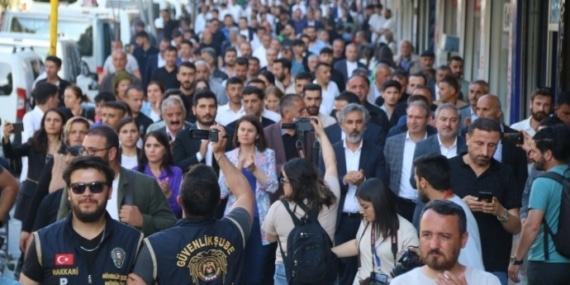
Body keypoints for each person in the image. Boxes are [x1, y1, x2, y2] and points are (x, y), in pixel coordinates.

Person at [126, 125, 254, 285]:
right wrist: (219, 154)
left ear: (180, 200)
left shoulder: (154, 245)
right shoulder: (235, 229)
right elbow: (244, 192)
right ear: (217, 201)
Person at [19, 156, 144, 284]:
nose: (87, 193)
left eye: (96, 187)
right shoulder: (43, 241)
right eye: (78, 188)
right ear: (69, 193)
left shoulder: (133, 241)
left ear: (109, 191)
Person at [57, 125, 176, 236]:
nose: (86, 156)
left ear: (111, 153)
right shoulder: (76, 183)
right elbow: (61, 225)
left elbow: (170, 224)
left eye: (93, 151)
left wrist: (142, 220)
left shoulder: (144, 184)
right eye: (84, 150)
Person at [263, 116, 340, 285]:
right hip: (323, 268)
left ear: (294, 183)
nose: (282, 184)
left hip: (287, 270)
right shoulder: (329, 198)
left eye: (284, 180)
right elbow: (331, 164)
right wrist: (321, 134)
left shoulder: (278, 207)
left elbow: (270, 238)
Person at [218, 115, 278, 284]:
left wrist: (254, 169)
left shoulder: (267, 155)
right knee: (234, 266)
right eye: (242, 130)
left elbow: (273, 186)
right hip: (235, 218)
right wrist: (236, 168)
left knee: (256, 268)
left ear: (257, 134)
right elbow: (222, 191)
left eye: (250, 130)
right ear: (236, 133)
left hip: (260, 220)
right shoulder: (228, 156)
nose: (245, 133)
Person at [508, 125, 570, 284]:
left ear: (548, 154)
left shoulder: (543, 182)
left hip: (546, 263)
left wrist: (517, 260)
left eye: (534, 151)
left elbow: (532, 226)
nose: (530, 156)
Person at [391, 200, 501, 285]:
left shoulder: (487, 282)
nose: (434, 245)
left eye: (444, 236)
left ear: (463, 240)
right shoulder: (400, 283)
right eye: (427, 235)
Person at [332, 178, 419, 284]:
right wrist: (329, 253)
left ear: (380, 204)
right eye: (360, 205)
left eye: (365, 206)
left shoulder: (407, 231)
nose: (361, 211)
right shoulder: (366, 221)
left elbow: (414, 273)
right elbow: (358, 244)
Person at [413, 154, 484, 270]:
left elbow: (472, 262)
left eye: (416, 180)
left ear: (423, 182)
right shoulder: (451, 206)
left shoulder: (455, 213)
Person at [3, 108, 65, 221]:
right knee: (27, 232)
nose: (52, 123)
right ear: (43, 123)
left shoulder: (66, 148)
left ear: (63, 125)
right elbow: (11, 154)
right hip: (32, 193)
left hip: (54, 194)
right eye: (48, 120)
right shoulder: (34, 143)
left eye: (56, 120)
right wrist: (6, 137)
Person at [136, 131, 184, 219]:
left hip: (170, 223)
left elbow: (179, 208)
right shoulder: (135, 172)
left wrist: (168, 194)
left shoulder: (176, 172)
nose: (152, 150)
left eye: (157, 145)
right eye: (148, 146)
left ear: (165, 149)